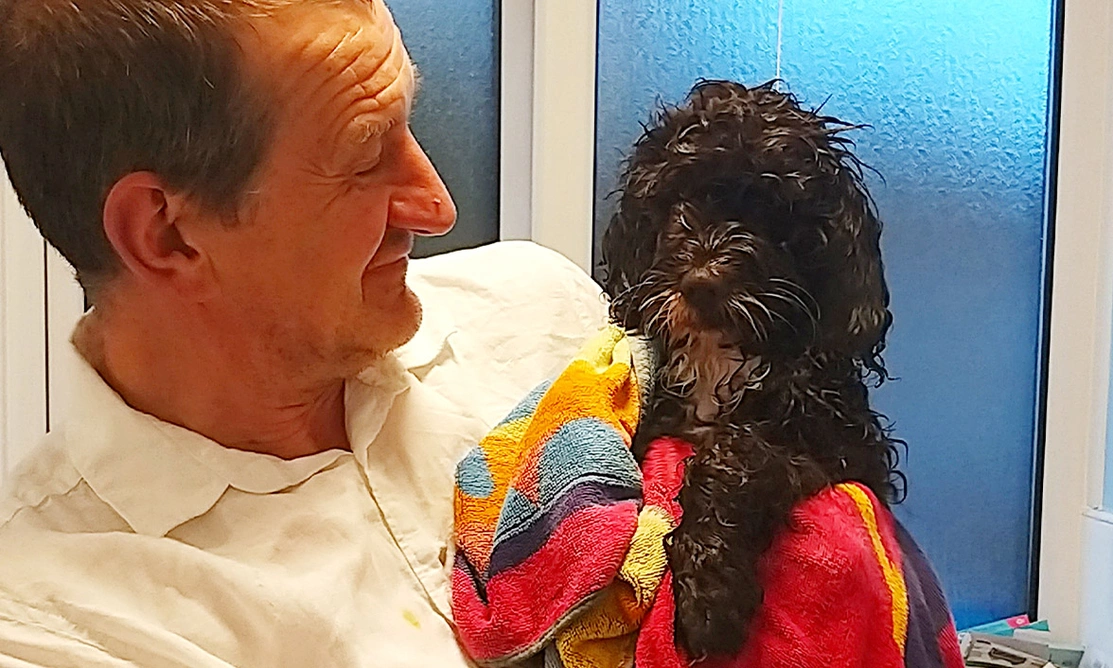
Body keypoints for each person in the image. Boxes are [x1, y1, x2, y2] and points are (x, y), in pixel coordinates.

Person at [0, 0, 607, 665]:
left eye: (410, 121)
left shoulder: (543, 319)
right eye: (365, 156)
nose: (437, 206)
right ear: (167, 235)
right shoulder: (55, 630)